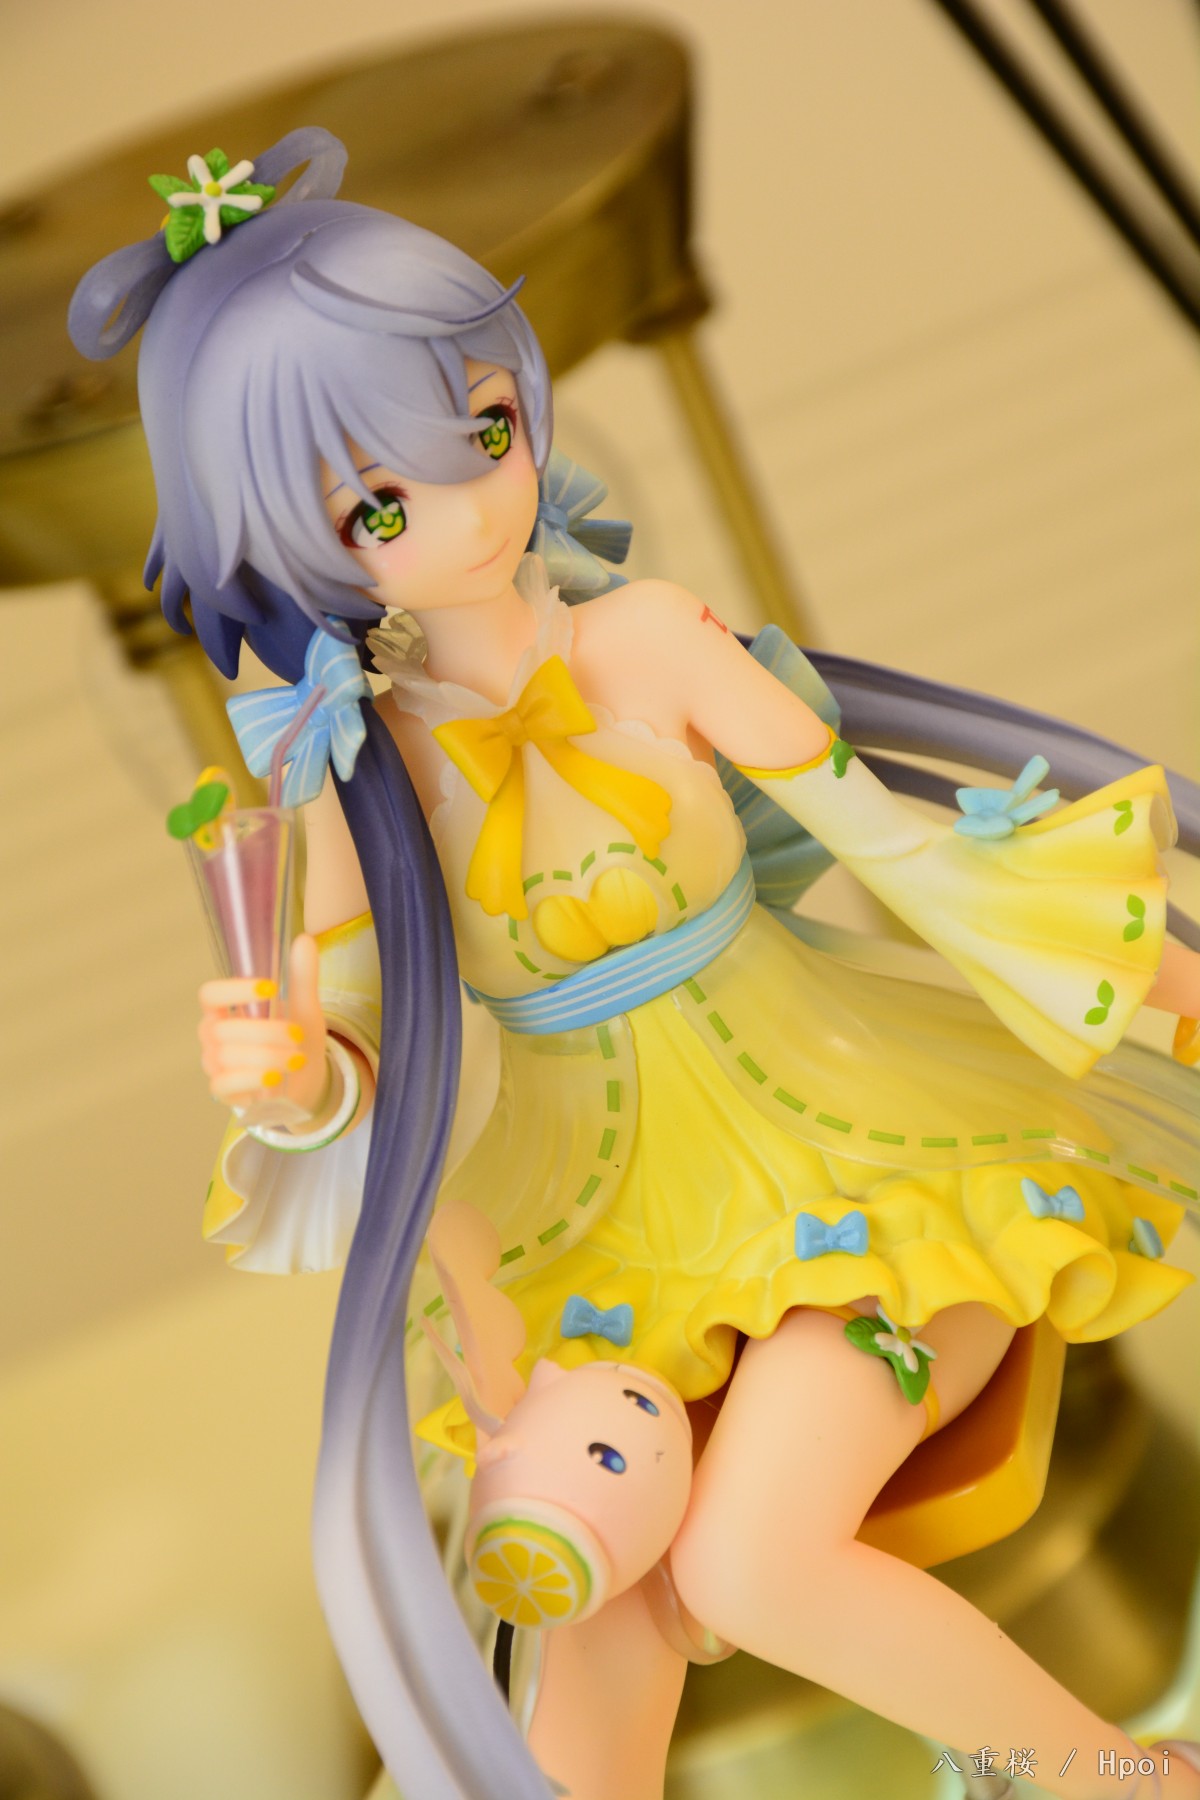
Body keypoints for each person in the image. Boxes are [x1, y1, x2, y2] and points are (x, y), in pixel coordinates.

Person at [70, 128, 1200, 1800]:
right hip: (595, 1240)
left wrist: (1166, 975)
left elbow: (903, 847)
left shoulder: (651, 643)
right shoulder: (358, 779)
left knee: (746, 1564)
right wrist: (296, 1077)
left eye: (485, 430)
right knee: (599, 1616)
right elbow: (367, 1057)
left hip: (868, 1152)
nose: (470, 505)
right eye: (377, 505)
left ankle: (1123, 1781)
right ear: (291, 549)